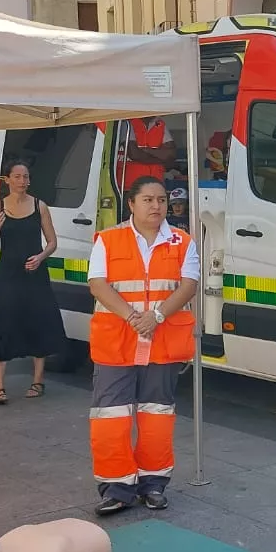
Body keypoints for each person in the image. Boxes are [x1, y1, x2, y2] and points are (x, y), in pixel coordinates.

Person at [87, 176, 199, 516]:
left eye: (161, 200)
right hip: (116, 342)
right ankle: (117, 488)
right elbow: (98, 284)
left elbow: (188, 285)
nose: (156, 206)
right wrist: (135, 317)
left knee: (157, 416)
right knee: (111, 417)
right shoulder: (107, 239)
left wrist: (157, 316)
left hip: (162, 342)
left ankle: (153, 484)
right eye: (148, 199)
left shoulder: (182, 241)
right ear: (132, 204)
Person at [0, 163, 65, 404]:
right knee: (4, 322)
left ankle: (37, 381)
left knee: (38, 322)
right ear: (7, 180)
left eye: (26, 177)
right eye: (17, 176)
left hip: (35, 274)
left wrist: (40, 258)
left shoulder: (39, 206)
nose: (22, 181)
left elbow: (52, 242)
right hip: (8, 273)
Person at [122, 117, 176, 194]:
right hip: (131, 185)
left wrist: (147, 150)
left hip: (156, 184)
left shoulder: (159, 123)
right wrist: (162, 159)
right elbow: (135, 154)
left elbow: (171, 154)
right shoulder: (128, 122)